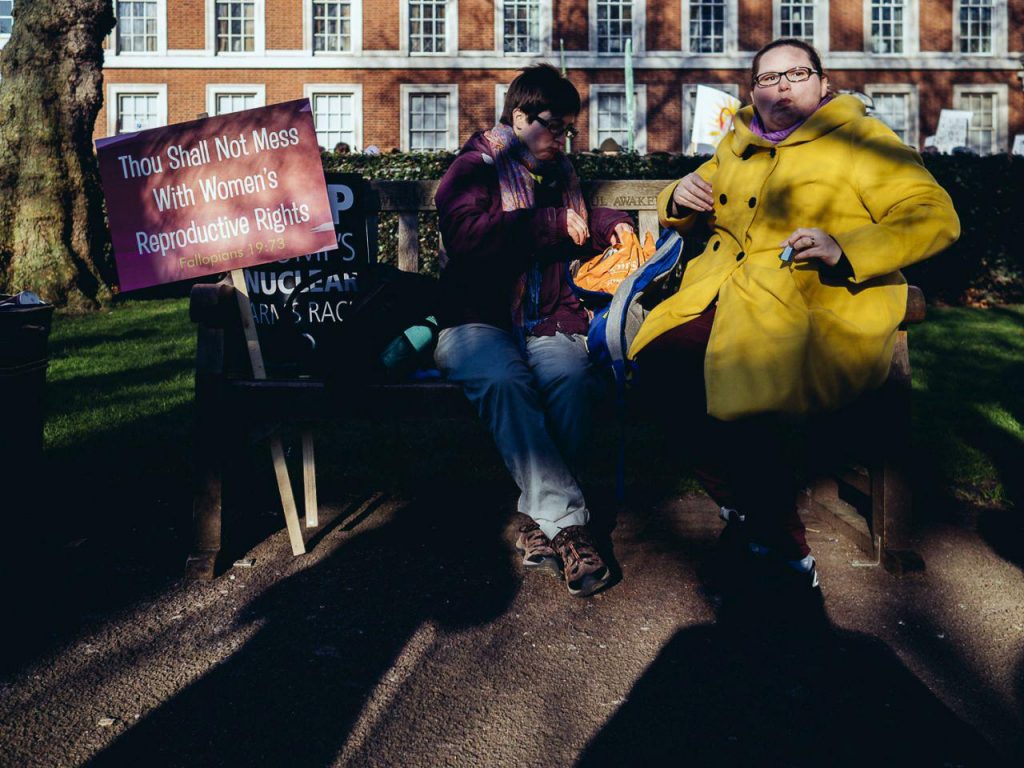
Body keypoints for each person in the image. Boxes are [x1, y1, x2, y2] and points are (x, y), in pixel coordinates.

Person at [631, 39, 960, 589]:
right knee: (659, 369)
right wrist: (677, 198)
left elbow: (935, 216)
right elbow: (691, 198)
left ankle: (785, 549)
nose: (781, 86)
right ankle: (749, 510)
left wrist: (846, 247)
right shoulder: (737, 143)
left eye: (796, 73)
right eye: (767, 78)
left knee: (749, 382)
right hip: (727, 298)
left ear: (824, 84)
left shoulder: (861, 138)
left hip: (820, 306)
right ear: (752, 91)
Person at [434, 64, 634, 597]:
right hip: (476, 319)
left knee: (570, 377)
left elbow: (578, 217)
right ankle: (570, 526)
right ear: (520, 116)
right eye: (556, 126)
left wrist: (609, 222)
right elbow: (464, 234)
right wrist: (540, 225)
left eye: (569, 129)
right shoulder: (474, 167)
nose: (564, 138)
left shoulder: (556, 171)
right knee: (503, 380)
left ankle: (535, 521)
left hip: (546, 317)